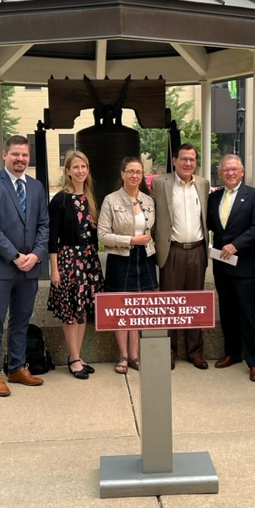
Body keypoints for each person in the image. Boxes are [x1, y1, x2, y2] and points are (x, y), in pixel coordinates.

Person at [0, 135, 49, 397]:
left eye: (24, 155)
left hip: (29, 268)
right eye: (16, 154)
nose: (20, 159)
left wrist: (37, 254)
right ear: (5, 155)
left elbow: (44, 225)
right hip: (0, 267)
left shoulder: (37, 187)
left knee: (21, 319)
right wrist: (15, 256)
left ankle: (17, 367)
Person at [207, 154, 255, 382]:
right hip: (222, 266)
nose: (230, 173)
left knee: (249, 313)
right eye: (225, 170)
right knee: (228, 311)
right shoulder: (214, 198)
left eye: (234, 169)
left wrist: (237, 245)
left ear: (241, 171)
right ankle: (232, 352)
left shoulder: (254, 195)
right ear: (220, 173)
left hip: (244, 265)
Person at [151, 143, 210, 370]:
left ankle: (195, 352)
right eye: (184, 159)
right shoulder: (160, 183)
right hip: (171, 250)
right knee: (170, 304)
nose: (188, 163)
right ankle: (170, 352)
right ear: (174, 160)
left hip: (197, 250)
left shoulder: (203, 185)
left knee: (194, 303)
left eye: (192, 160)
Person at [47, 150, 104, 380]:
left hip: (89, 259)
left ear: (88, 170)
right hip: (69, 259)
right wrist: (54, 268)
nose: (80, 171)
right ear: (68, 171)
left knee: (82, 311)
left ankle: (78, 356)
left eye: (84, 167)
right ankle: (72, 358)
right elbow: (52, 237)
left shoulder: (89, 198)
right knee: (71, 312)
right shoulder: (61, 199)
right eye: (76, 167)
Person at [98, 156, 157, 374]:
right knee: (121, 308)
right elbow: (102, 235)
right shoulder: (111, 200)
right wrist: (130, 240)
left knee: (139, 307)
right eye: (130, 171)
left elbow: (155, 231)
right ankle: (123, 355)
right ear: (122, 173)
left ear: (142, 176)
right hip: (120, 258)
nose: (134, 176)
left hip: (146, 258)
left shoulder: (148, 201)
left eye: (138, 172)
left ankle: (135, 355)